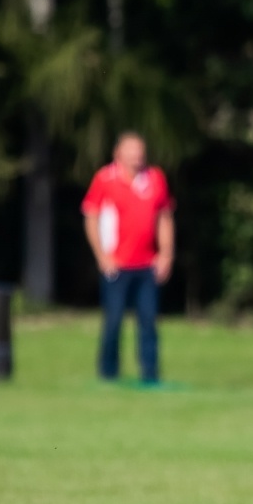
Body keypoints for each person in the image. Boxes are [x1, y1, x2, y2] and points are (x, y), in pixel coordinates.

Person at [82, 132, 174, 384]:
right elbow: (91, 216)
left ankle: (150, 375)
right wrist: (102, 255)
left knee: (148, 321)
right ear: (118, 154)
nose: (137, 156)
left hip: (147, 265)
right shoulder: (105, 179)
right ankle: (108, 374)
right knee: (113, 321)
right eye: (131, 151)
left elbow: (164, 218)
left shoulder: (155, 179)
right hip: (117, 265)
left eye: (140, 151)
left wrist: (165, 254)